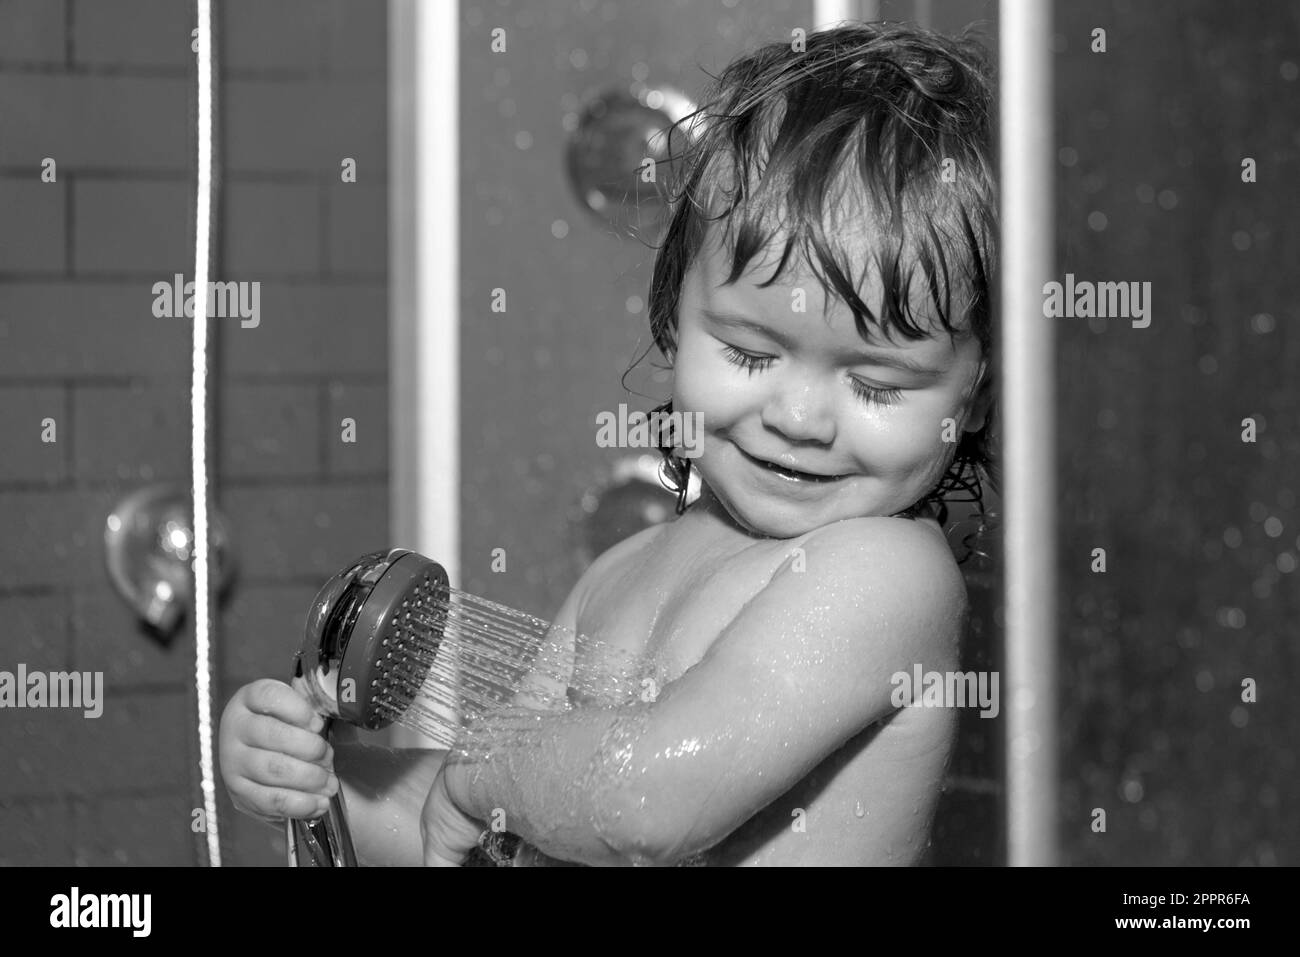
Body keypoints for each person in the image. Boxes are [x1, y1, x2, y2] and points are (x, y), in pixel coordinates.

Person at [219, 20, 999, 866]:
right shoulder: (621, 575)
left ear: (978, 394)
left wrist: (476, 785)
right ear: (672, 324)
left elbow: (642, 799)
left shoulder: (885, 575)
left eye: (876, 383)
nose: (802, 418)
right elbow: (481, 823)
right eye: (749, 352)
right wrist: (314, 780)